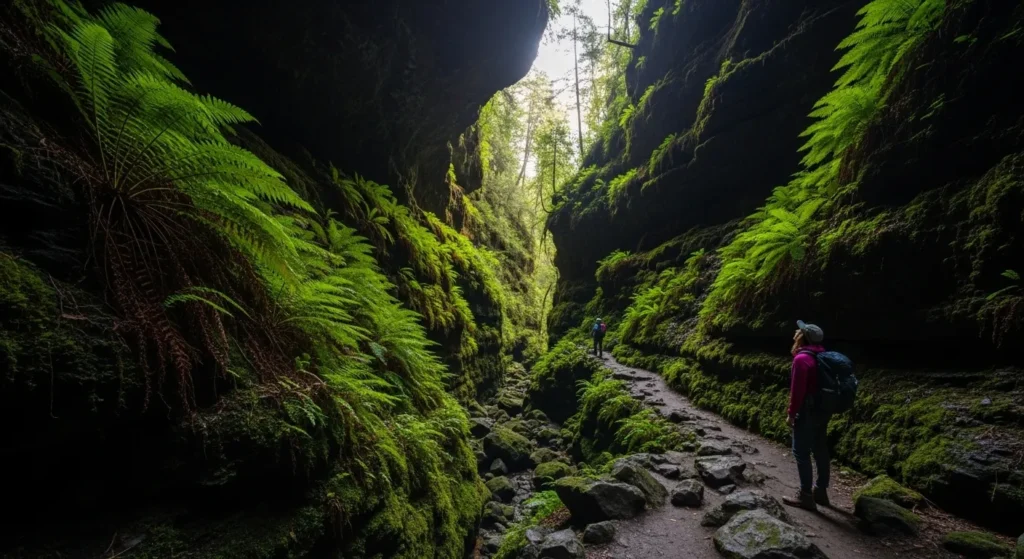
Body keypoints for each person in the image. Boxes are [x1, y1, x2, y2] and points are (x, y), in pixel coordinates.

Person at [782, 320, 832, 511]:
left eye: (798, 332)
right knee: (820, 448)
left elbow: (797, 391)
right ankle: (821, 491)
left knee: (801, 452)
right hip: (823, 410)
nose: (795, 333)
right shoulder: (823, 355)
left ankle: (805, 496)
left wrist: (791, 414)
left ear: (802, 337)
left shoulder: (802, 359)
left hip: (807, 410)